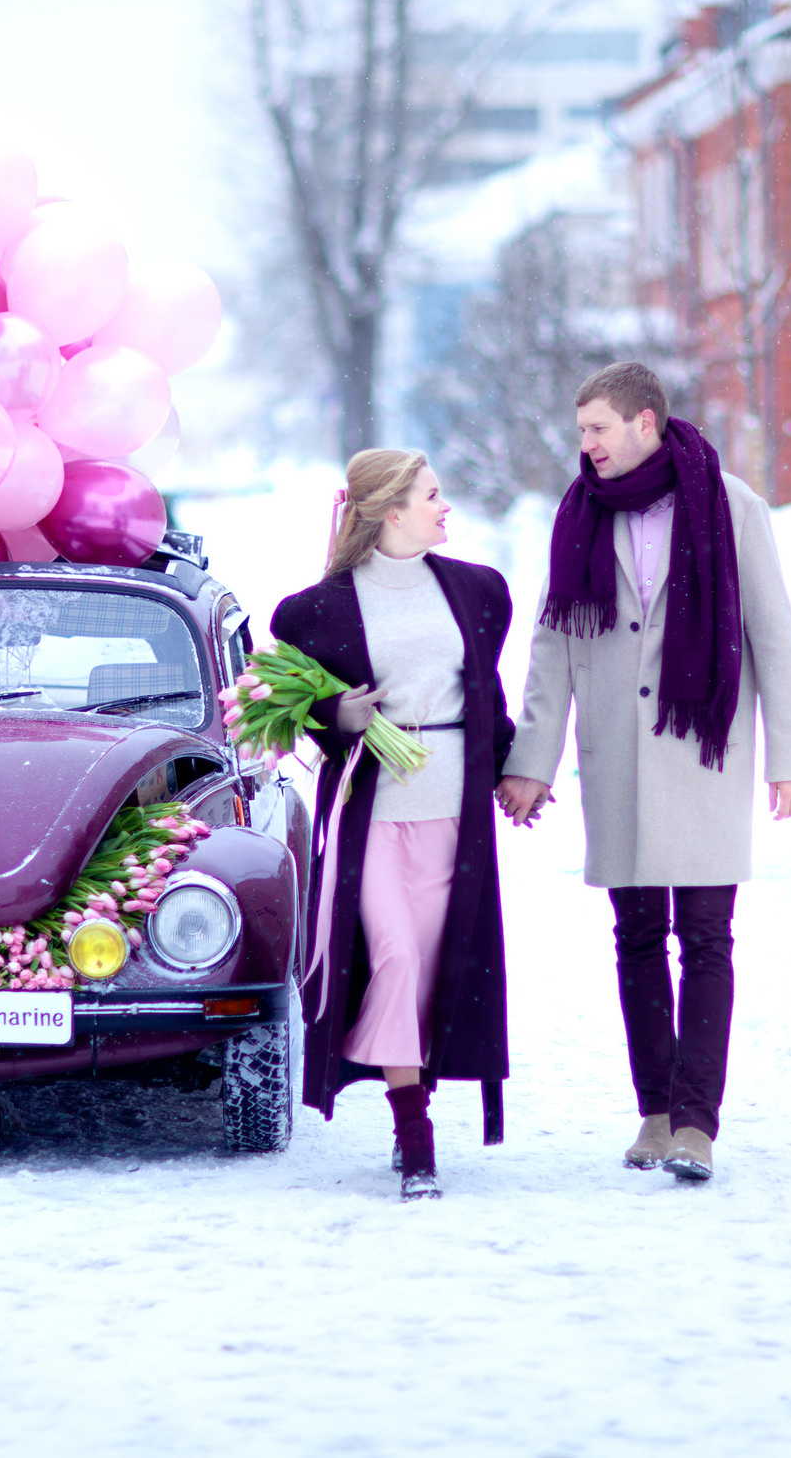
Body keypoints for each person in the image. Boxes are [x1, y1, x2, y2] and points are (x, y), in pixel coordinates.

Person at [498, 362, 791, 1184]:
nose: (587, 446)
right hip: (619, 757)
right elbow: (553, 647)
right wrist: (531, 761)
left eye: (599, 429)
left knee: (707, 937)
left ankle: (699, 1123)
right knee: (637, 937)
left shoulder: (730, 506)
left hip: (704, 750)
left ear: (645, 423)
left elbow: (773, 634)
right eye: (581, 433)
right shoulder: (579, 516)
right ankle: (656, 1111)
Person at [272, 448, 515, 1200]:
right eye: (434, 495)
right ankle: (415, 1140)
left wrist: (515, 774)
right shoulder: (314, 611)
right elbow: (296, 713)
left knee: (437, 970)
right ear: (387, 510)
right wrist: (335, 715)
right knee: (396, 957)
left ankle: (416, 1090)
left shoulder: (478, 592)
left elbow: (489, 700)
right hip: (370, 816)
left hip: (452, 810)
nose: (447, 508)